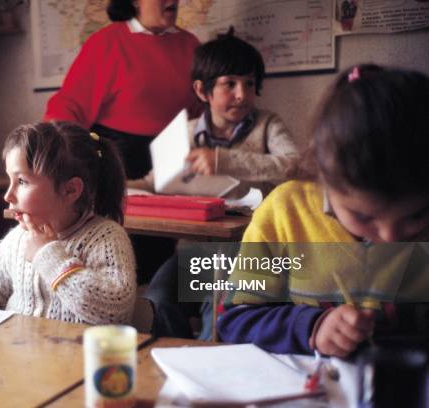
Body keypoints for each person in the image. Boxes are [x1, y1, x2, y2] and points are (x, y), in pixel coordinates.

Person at [218, 64, 429, 357]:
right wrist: (313, 327)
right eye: (363, 216)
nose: (390, 237)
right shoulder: (283, 214)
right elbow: (236, 321)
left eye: (417, 216)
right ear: (324, 177)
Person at [137, 32, 299, 338]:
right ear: (202, 90)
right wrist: (121, 185)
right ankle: (180, 357)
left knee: (218, 309)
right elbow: (153, 183)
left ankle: (209, 367)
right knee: (158, 297)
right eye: (230, 84)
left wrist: (224, 160)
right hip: (195, 251)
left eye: (249, 83)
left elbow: (293, 165)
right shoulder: (184, 133)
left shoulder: (268, 124)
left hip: (250, 250)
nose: (242, 94)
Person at [0, 122, 137, 325]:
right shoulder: (17, 238)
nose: (7, 195)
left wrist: (50, 256)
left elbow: (115, 311)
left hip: (71, 360)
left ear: (70, 190)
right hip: (19, 355)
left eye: (22, 181)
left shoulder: (106, 238)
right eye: (10, 180)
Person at [44, 0, 201, 180]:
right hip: (118, 166)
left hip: (177, 164)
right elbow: (70, 105)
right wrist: (56, 154)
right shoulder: (106, 43)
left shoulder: (190, 44)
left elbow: (202, 108)